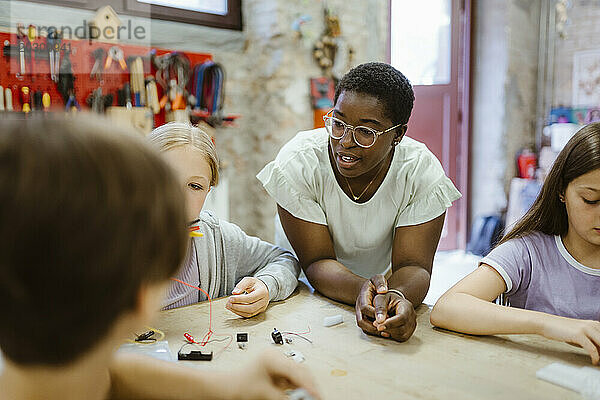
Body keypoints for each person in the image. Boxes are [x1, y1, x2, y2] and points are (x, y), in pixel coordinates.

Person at [0, 114, 319, 400]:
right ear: (140, 297)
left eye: (194, 186)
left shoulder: (49, 365)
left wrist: (228, 388)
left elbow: (109, 373)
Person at [257, 62, 461, 341]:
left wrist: (395, 296)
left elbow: (414, 266)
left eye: (366, 131)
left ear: (398, 135)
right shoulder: (300, 163)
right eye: (338, 123)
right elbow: (317, 262)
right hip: (298, 291)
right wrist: (368, 292)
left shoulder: (419, 173)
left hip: (379, 291)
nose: (345, 142)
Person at [431, 123, 600, 365]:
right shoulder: (529, 252)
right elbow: (447, 308)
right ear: (561, 190)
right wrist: (549, 324)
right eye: (590, 200)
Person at [148, 122, 300, 317]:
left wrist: (266, 285)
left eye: (195, 186)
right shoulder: (107, 240)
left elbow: (284, 259)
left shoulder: (218, 239)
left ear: (207, 192)